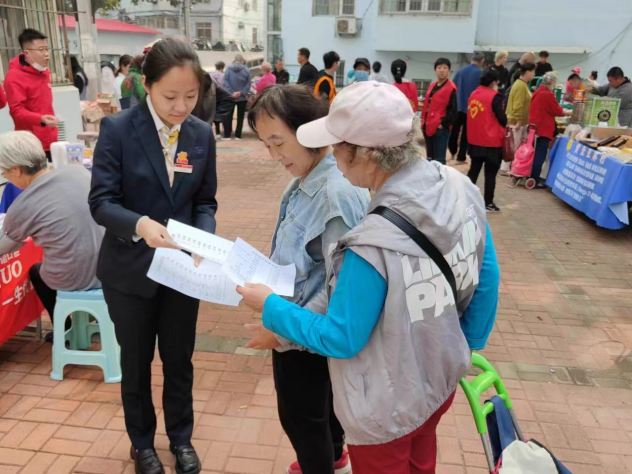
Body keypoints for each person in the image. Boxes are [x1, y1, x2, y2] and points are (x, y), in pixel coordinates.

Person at [237, 81, 500, 474]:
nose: (332, 158)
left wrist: (271, 308)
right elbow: (488, 274)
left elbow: (340, 337)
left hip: (390, 402)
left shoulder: (370, 242)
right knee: (420, 462)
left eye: (337, 147)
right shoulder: (459, 186)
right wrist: (463, 345)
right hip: (439, 376)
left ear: (366, 154)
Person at [89, 38, 217, 474]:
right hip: (130, 270)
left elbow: (205, 201)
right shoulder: (119, 130)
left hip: (182, 270)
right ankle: (141, 442)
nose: (181, 106)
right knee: (136, 361)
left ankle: (181, 439)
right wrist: (139, 224)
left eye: (191, 95)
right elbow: (102, 202)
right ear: (146, 86)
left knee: (179, 360)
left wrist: (204, 240)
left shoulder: (201, 134)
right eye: (170, 96)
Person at [245, 84, 370, 474]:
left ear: (309, 130)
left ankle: (323, 463)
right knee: (323, 414)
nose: (274, 155)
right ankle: (334, 459)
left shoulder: (335, 193)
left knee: (302, 419)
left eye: (279, 142)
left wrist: (280, 333)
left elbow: (340, 292)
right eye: (267, 145)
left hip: (304, 335)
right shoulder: (306, 178)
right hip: (292, 318)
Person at [0, 131, 103, 338]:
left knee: (37, 271)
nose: (4, 176)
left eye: (4, 172)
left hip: (78, 277)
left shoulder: (23, 205)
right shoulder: (78, 171)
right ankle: (87, 321)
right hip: (110, 266)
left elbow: (5, 247)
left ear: (17, 170)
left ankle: (65, 331)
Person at [4, 28, 58, 161]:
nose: (46, 54)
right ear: (27, 52)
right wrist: (41, 119)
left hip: (51, 140)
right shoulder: (14, 77)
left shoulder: (44, 73)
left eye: (47, 49)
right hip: (30, 144)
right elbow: (16, 111)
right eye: (41, 50)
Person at [467, 70, 507, 213]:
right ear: (493, 82)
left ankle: (466, 198)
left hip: (475, 140)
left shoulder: (473, 95)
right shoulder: (495, 97)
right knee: (490, 175)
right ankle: (488, 203)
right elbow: (502, 119)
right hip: (491, 142)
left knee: (473, 171)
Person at [529, 72, 570, 188]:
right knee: (540, 155)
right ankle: (534, 179)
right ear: (551, 82)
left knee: (534, 153)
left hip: (534, 127)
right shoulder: (548, 95)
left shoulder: (537, 92)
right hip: (543, 128)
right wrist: (568, 112)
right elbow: (557, 110)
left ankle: (531, 176)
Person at [449, 52, 485, 164]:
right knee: (466, 133)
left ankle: (452, 152)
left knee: (454, 130)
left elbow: (452, 87)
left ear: (472, 59)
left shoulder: (460, 71)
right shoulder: (480, 72)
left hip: (458, 106)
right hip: (472, 108)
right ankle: (461, 156)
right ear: (481, 61)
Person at [421, 57, 457, 165]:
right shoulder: (432, 86)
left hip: (440, 129)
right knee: (430, 159)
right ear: (435, 70)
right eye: (439, 67)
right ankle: (432, 181)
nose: (441, 70)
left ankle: (441, 180)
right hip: (428, 126)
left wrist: (442, 124)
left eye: (445, 68)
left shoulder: (451, 88)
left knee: (439, 160)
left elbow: (453, 110)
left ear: (449, 71)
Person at [222, 54, 251, 140]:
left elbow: (225, 81)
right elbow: (248, 83)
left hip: (230, 96)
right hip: (242, 97)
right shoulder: (246, 69)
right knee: (240, 116)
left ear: (235, 60)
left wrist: (231, 92)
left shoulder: (228, 69)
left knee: (228, 116)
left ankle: (227, 135)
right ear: (242, 60)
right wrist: (241, 92)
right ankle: (238, 135)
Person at [506, 62, 536, 140]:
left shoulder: (522, 84)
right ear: (528, 72)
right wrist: (518, 122)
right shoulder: (520, 85)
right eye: (533, 71)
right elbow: (518, 104)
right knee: (515, 150)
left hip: (518, 123)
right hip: (516, 124)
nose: (534, 74)